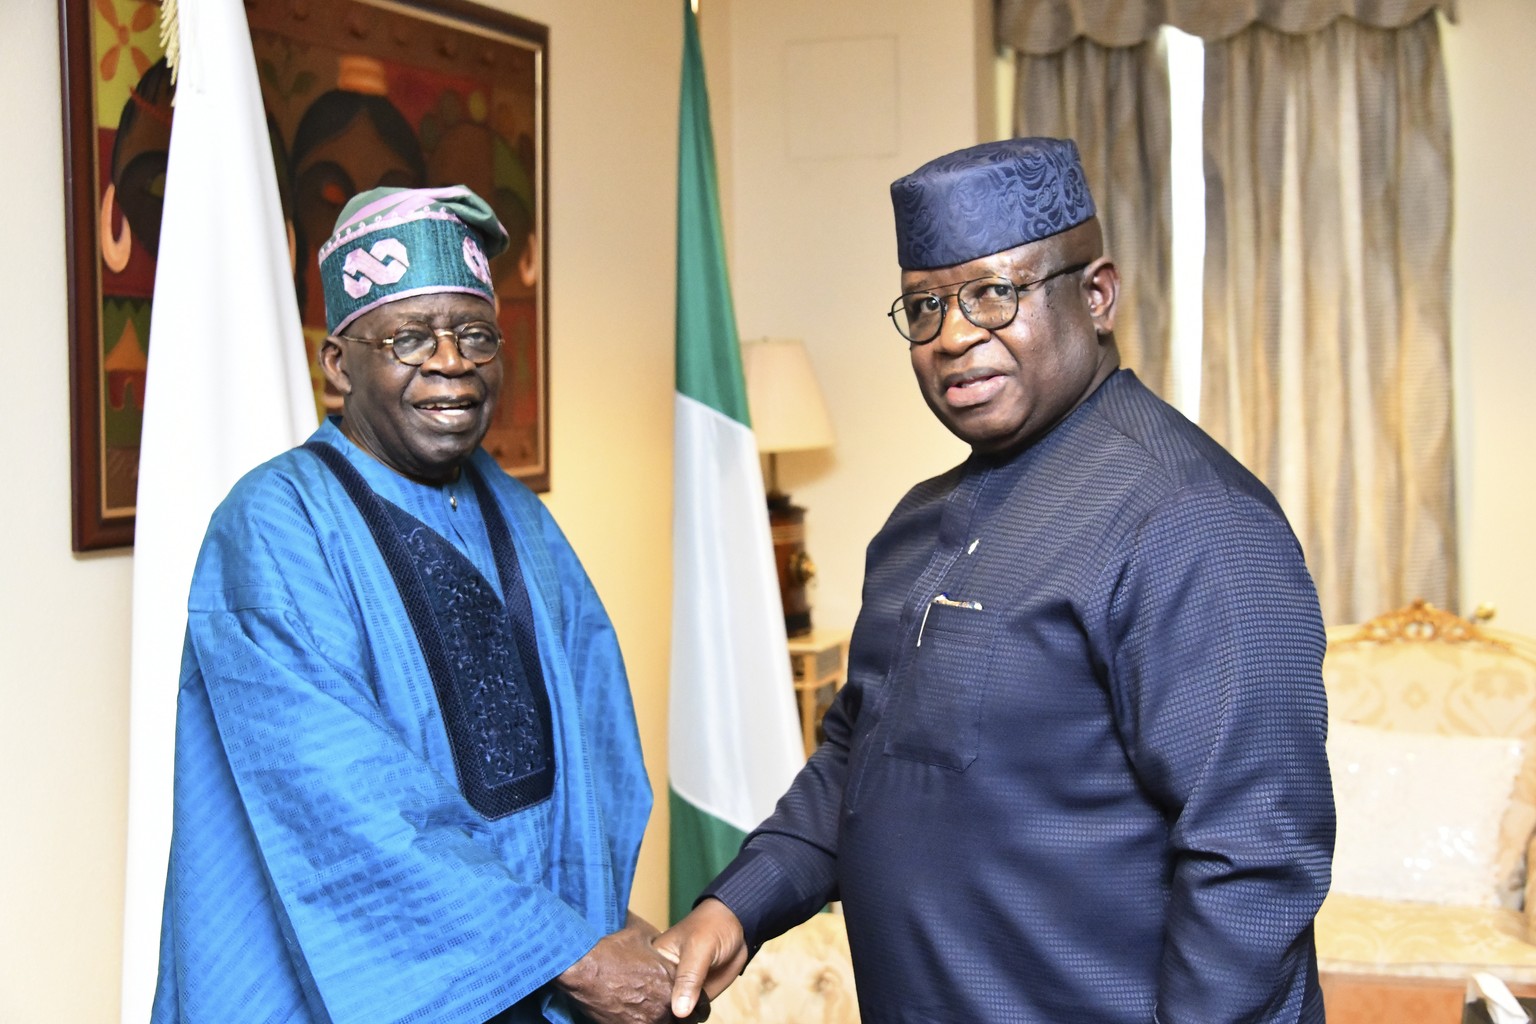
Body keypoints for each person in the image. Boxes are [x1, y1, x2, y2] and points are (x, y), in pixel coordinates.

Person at [658, 138, 1335, 1022]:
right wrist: (736, 902)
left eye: (994, 294)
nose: (954, 338)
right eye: (924, 306)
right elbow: (858, 759)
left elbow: (1255, 861)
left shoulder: (1192, 519)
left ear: (1097, 294)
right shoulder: (913, 525)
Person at [151, 186, 675, 1024]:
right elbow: (339, 801)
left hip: (532, 969)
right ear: (337, 364)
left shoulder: (519, 512)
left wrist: (596, 910)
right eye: (409, 338)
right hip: (353, 975)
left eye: (475, 334)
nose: (451, 362)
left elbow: (595, 734)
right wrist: (566, 947)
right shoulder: (275, 525)